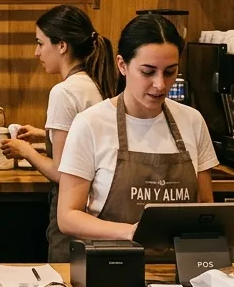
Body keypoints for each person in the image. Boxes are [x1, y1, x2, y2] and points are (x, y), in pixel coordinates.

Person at [57, 13, 217, 240]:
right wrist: (132, 232)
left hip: (180, 266)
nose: (160, 84)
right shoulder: (90, 124)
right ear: (122, 65)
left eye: (170, 72)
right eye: (147, 72)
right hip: (114, 264)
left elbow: (205, 206)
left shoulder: (192, 120)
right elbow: (68, 216)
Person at [0, 5, 116, 261]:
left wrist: (25, 150)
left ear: (62, 45)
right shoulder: (94, 83)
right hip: (97, 205)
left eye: (40, 43)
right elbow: (88, 143)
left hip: (71, 210)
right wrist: (45, 135)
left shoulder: (64, 92)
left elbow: (62, 173)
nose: (36, 52)